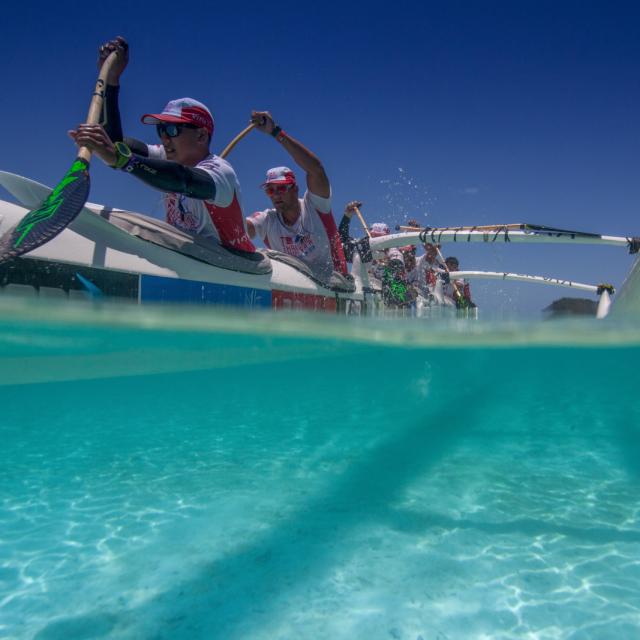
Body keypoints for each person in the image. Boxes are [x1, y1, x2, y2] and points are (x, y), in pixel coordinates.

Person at [69, 36, 255, 252]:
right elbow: (117, 143)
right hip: (189, 256)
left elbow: (182, 179)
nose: (164, 138)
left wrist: (121, 159)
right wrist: (112, 79)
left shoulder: (220, 172)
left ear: (202, 136)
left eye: (172, 130)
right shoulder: (165, 156)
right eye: (161, 129)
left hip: (234, 264)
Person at [246, 111, 347, 282]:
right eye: (270, 190)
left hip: (336, 283)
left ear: (295, 189)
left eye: (281, 189)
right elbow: (241, 227)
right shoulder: (267, 219)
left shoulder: (315, 206)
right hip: (295, 285)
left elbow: (316, 170)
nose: (276, 195)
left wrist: (275, 132)